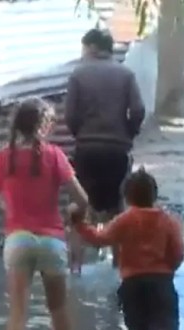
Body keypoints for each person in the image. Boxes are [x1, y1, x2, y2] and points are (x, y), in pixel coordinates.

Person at [0, 97, 89, 330]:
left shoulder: (2, 158)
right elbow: (82, 199)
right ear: (44, 126)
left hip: (17, 242)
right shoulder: (55, 156)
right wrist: (74, 217)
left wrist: (5, 204)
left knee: (17, 313)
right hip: (52, 241)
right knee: (58, 310)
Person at [69, 169, 184, 330]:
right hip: (161, 281)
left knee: (135, 329)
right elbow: (178, 251)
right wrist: (169, 269)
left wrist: (80, 225)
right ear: (154, 195)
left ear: (127, 197)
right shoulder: (169, 221)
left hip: (132, 283)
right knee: (165, 325)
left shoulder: (125, 219)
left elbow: (99, 238)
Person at [65, 28, 145, 221]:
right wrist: (129, 133)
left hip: (87, 149)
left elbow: (70, 115)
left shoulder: (78, 74)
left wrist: (80, 133)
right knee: (116, 209)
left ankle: (82, 250)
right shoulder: (126, 74)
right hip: (117, 150)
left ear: (92, 48)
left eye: (83, 49)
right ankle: (117, 250)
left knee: (83, 207)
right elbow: (138, 110)